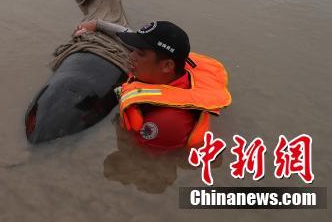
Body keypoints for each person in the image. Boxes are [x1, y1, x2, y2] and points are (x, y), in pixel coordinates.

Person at [74, 19, 230, 151]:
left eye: (140, 53)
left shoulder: (164, 122)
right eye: (134, 49)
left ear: (167, 66)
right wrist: (97, 25)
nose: (131, 54)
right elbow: (125, 33)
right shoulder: (164, 67)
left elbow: (142, 160)